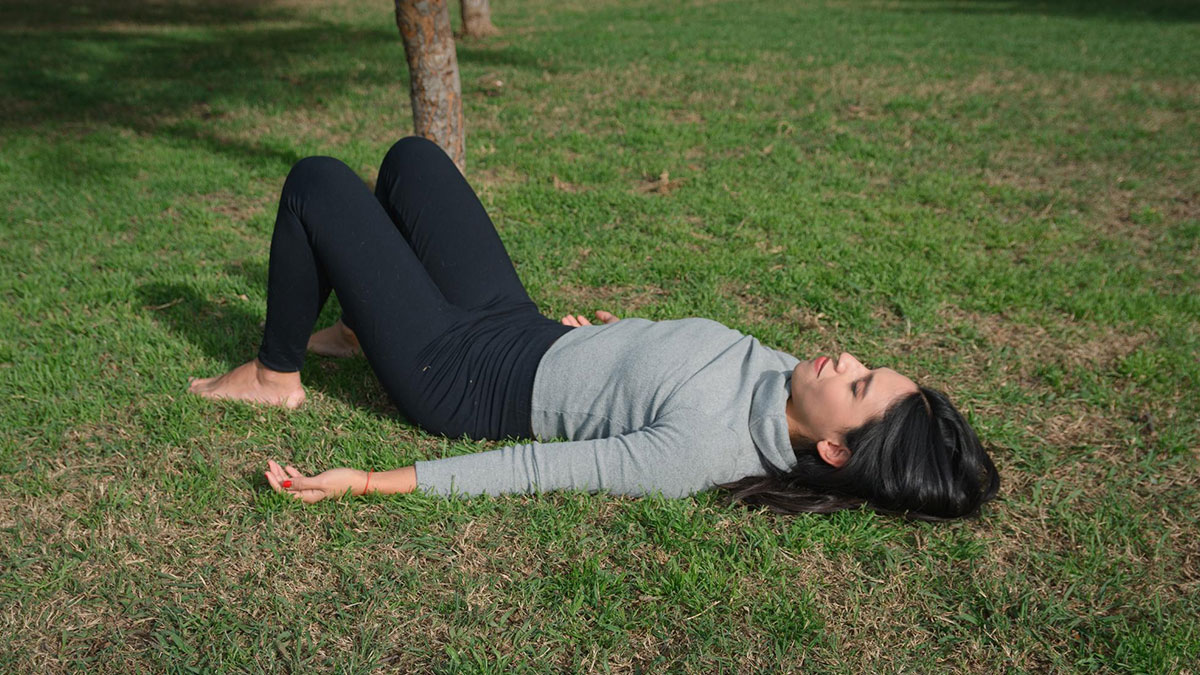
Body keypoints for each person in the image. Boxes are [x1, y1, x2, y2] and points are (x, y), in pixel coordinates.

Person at [188, 137, 1000, 521]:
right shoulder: (790, 383)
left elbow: (539, 470)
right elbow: (682, 359)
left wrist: (367, 481)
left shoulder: (701, 449)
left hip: (459, 373)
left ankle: (276, 376)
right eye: (867, 364)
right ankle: (365, 324)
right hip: (525, 329)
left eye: (856, 383)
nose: (844, 357)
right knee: (412, 159)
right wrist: (615, 349)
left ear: (832, 449)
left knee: (320, 183)